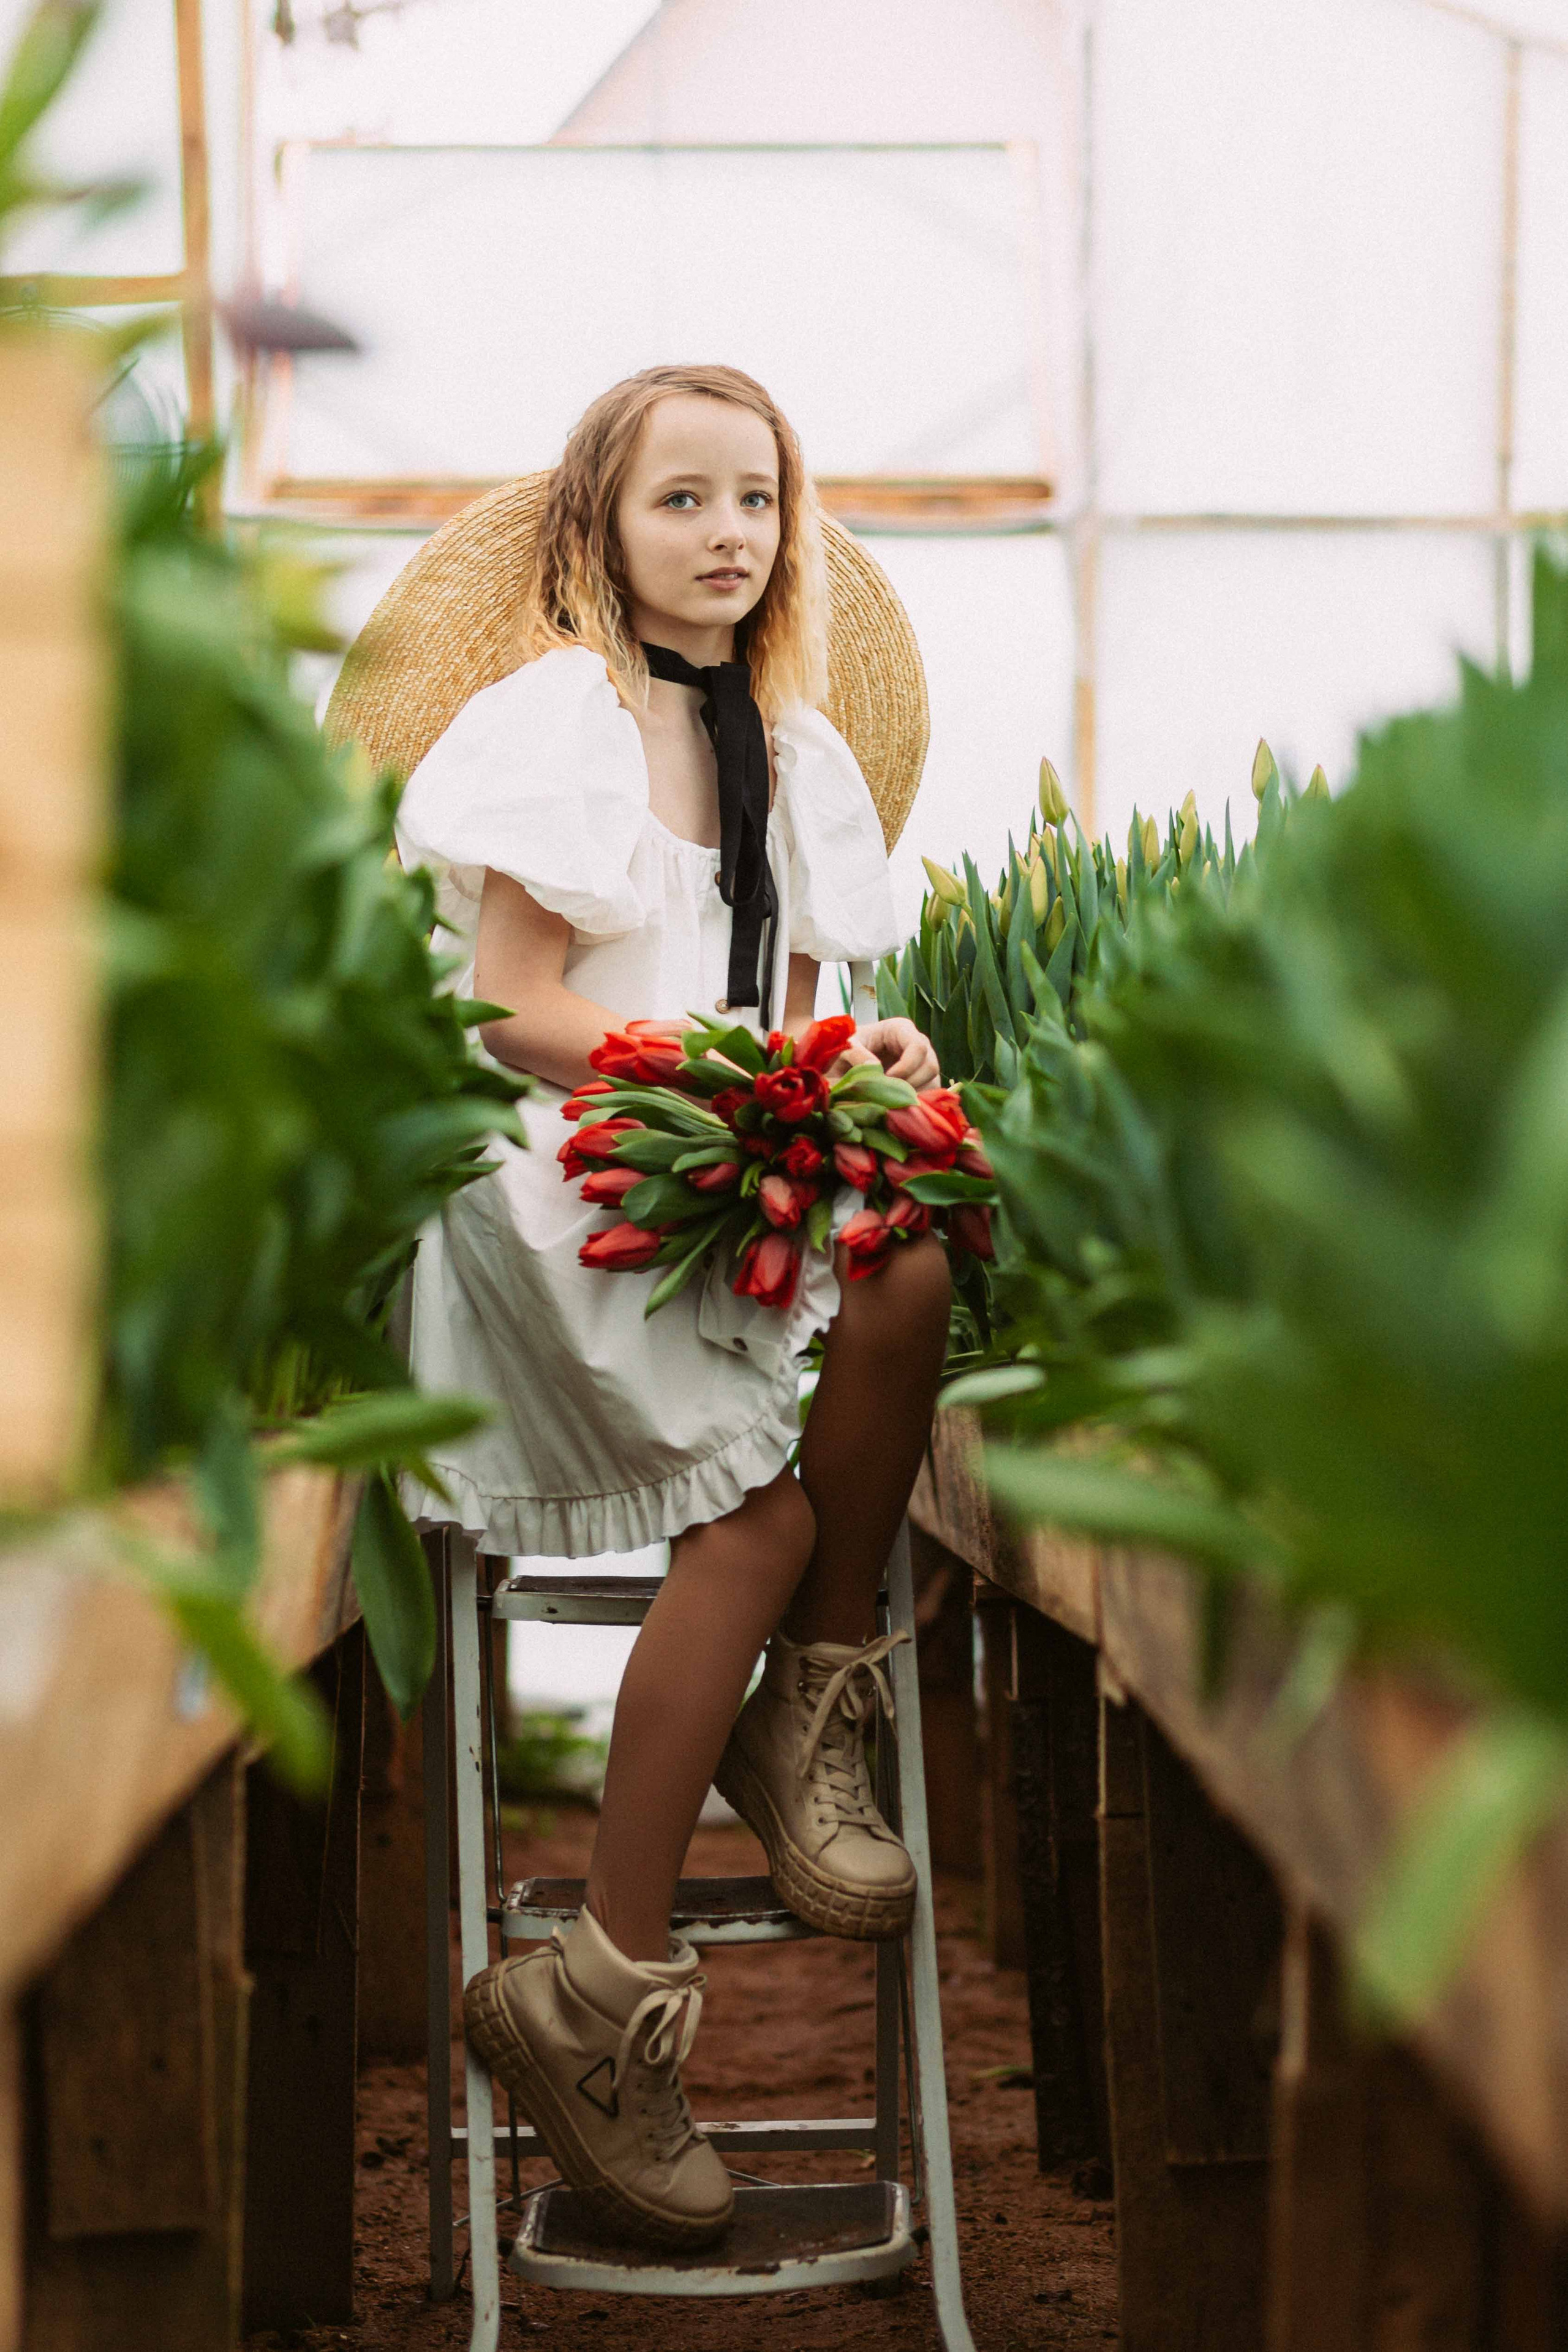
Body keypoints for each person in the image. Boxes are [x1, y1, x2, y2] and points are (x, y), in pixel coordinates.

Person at [394, 363, 949, 2252]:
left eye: (758, 503)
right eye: (682, 503)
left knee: (918, 1254)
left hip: (718, 1135)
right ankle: (605, 1985)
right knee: (763, 1510)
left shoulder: (800, 749)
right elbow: (506, 1002)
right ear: (600, 531)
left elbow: (800, 1007)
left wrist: (850, 1053)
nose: (727, 538)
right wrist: (702, 1078)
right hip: (569, 1161)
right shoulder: (560, 719)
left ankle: (814, 1696)